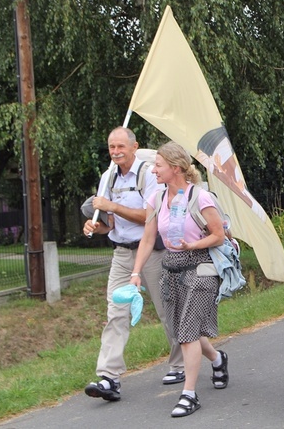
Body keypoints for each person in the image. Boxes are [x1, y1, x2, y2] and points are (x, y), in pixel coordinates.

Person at [83, 128, 184, 402]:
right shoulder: (108, 177)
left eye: (120, 147)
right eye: (111, 147)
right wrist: (96, 225)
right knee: (116, 313)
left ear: (134, 146)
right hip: (121, 254)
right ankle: (109, 377)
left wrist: (112, 207)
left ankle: (181, 363)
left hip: (151, 251)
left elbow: (149, 217)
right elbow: (110, 224)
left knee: (167, 309)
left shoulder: (149, 174)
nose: (115, 152)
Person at [129, 141, 229, 418]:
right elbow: (148, 238)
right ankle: (217, 359)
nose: (153, 170)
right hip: (171, 268)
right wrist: (136, 273)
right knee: (183, 331)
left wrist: (192, 246)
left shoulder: (201, 197)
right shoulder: (157, 199)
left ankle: (189, 394)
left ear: (175, 168)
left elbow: (218, 235)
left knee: (187, 331)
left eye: (158, 165)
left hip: (201, 268)